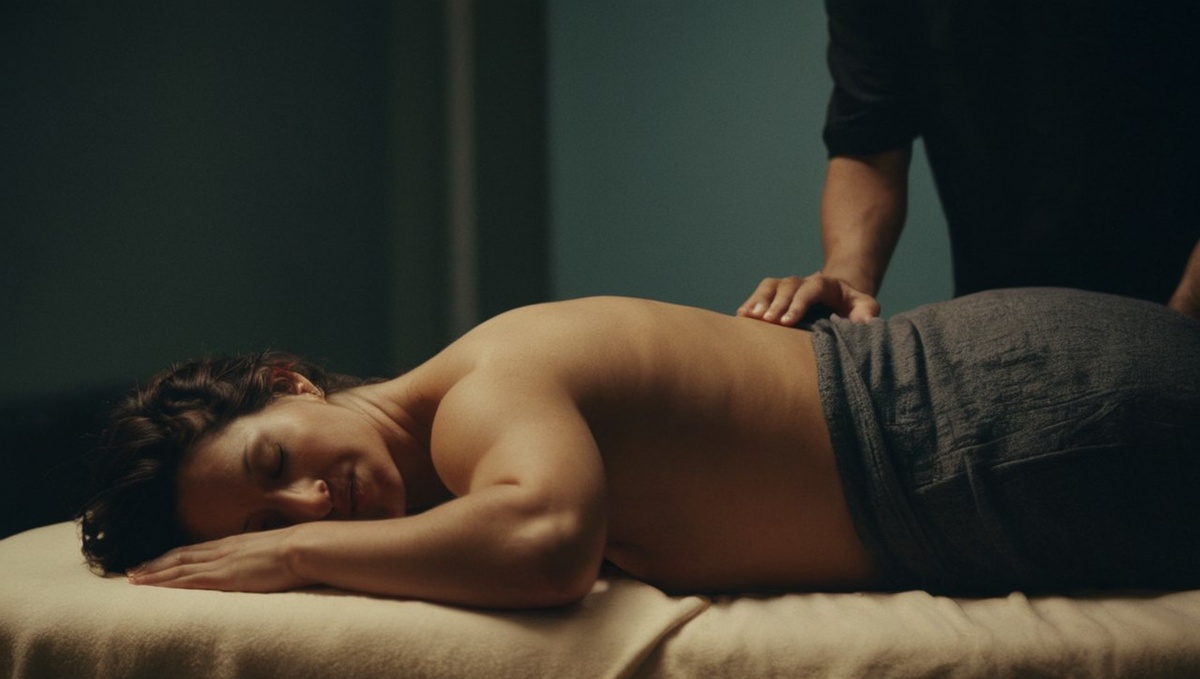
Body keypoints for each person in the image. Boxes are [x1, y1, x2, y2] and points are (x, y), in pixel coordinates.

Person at [79, 288, 1200, 609]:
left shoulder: (472, 398)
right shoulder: (457, 447)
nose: (310, 506)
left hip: (1007, 415)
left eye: (275, 468)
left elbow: (549, 542)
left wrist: (286, 559)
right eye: (267, 522)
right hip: (1001, 411)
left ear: (292, 384)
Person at [739, 1, 1200, 327]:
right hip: (1002, 325)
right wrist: (844, 280)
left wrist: (1182, 321)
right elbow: (869, 144)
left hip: (1180, 306)